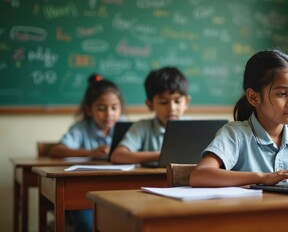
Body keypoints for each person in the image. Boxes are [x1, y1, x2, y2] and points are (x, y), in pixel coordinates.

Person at [189, 49, 288, 187]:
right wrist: (262, 177)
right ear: (254, 97)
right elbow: (199, 175)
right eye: (282, 94)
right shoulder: (235, 134)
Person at [50, 74, 125, 232]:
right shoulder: (81, 128)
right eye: (101, 108)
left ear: (120, 108)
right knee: (86, 224)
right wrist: (91, 152)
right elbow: (57, 150)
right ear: (88, 110)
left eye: (114, 108)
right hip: (83, 192)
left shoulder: (126, 128)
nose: (109, 114)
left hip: (117, 189)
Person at [110, 66, 190, 165]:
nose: (172, 108)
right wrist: (161, 155)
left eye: (177, 101)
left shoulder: (194, 128)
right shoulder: (142, 127)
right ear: (150, 105)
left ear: (186, 102)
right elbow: (117, 156)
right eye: (163, 102)